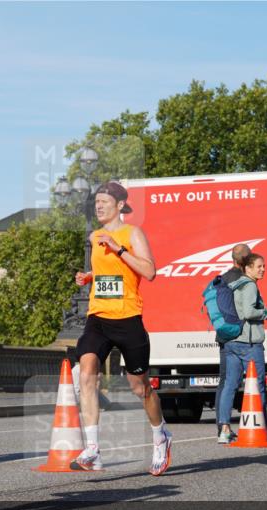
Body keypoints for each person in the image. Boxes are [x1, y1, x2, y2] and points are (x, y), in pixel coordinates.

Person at [72, 181, 173, 475]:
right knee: (87, 370)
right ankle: (92, 448)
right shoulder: (95, 236)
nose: (99, 206)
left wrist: (119, 249)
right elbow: (111, 274)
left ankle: (160, 436)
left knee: (139, 387)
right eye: (97, 202)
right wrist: (90, 277)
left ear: (120, 206)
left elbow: (149, 271)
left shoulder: (132, 234)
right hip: (98, 317)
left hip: (128, 319)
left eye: (104, 202)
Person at [217, 253, 267, 444]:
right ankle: (263, 429)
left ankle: (224, 429)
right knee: (258, 386)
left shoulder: (234, 285)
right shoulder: (250, 285)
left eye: (264, 266)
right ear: (247, 268)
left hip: (231, 342)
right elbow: (249, 312)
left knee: (230, 386)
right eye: (258, 266)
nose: (263, 269)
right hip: (249, 344)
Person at [213, 243, 251, 443]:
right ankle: (258, 427)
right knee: (252, 380)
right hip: (240, 335)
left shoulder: (223, 278)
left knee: (224, 381)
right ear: (248, 260)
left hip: (224, 335)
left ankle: (222, 426)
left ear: (232, 258)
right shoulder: (244, 280)